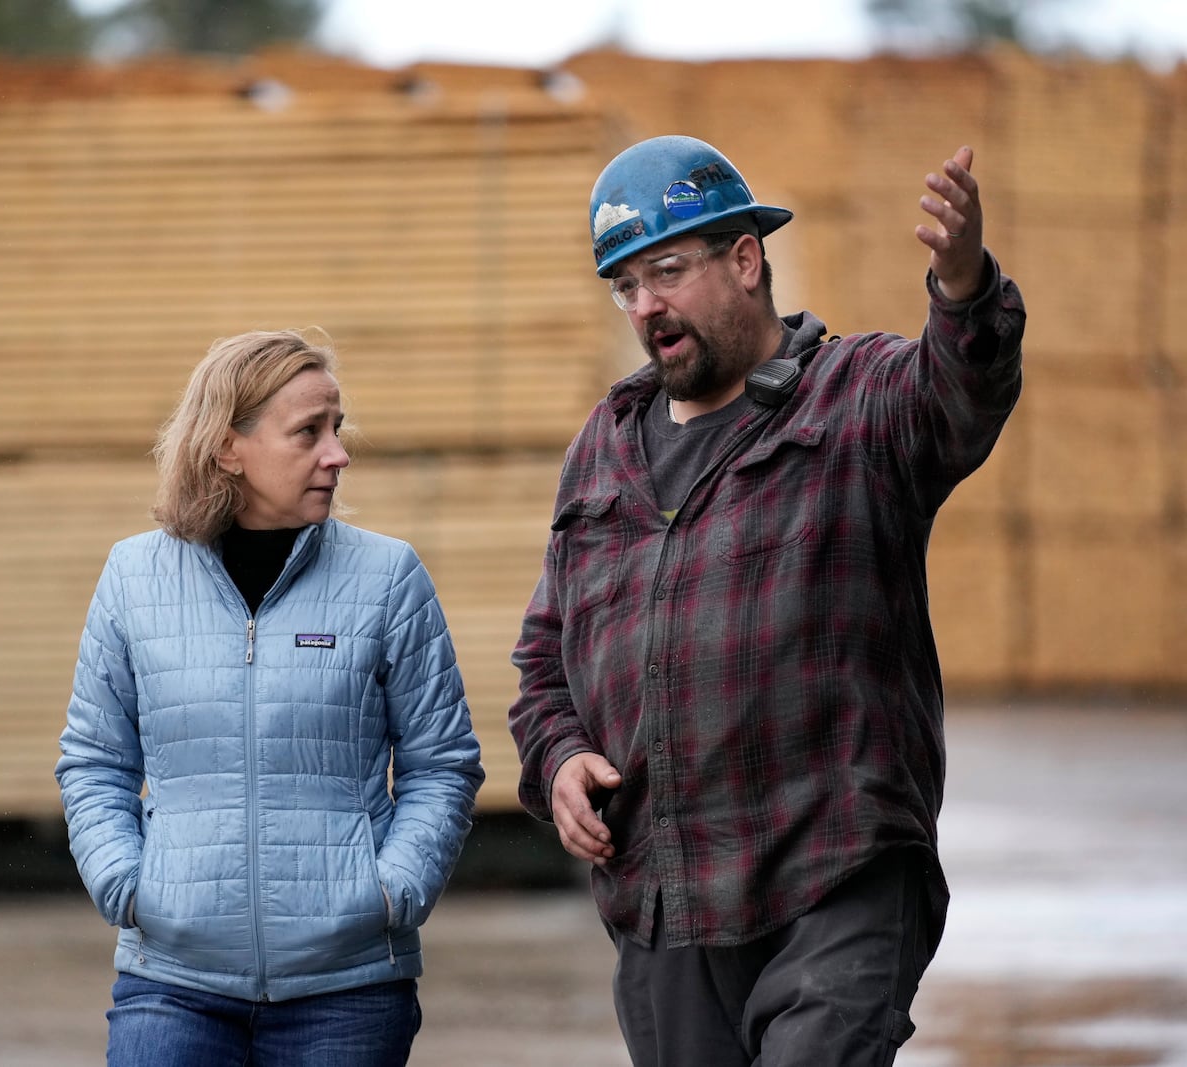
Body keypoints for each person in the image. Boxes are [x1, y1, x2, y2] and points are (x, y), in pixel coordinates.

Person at [508, 136, 1024, 1066]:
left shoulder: (854, 397)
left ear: (745, 260)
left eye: (666, 270)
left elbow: (961, 395)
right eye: (625, 284)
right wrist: (559, 757)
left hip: (834, 874)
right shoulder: (606, 446)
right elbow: (545, 654)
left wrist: (963, 288)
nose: (645, 305)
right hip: (668, 906)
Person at [56, 328, 484, 1067]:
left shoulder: (387, 578)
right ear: (230, 447)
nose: (337, 453)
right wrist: (129, 886)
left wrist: (391, 891)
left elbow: (441, 762)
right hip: (173, 981)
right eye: (308, 432)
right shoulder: (134, 578)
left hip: (346, 987)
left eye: (337, 428)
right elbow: (94, 760)